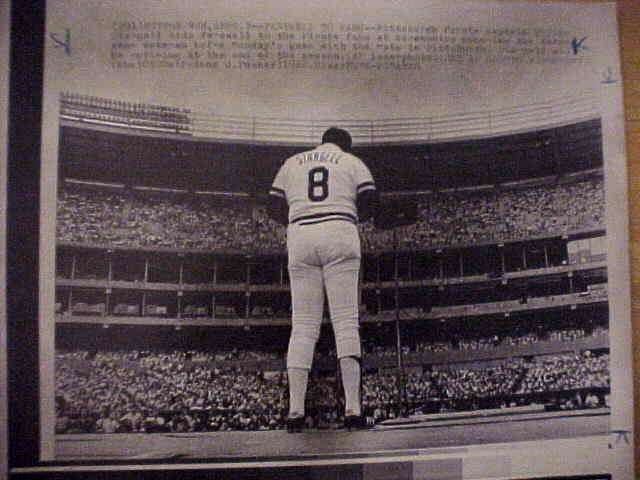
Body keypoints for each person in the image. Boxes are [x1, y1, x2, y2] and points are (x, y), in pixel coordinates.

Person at [268, 127, 379, 432]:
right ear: (345, 144)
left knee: (303, 326)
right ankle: (353, 410)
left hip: (300, 232)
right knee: (345, 322)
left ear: (321, 141)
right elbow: (370, 200)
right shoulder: (351, 161)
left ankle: (295, 412)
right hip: (340, 228)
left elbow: (273, 205)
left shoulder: (293, 162)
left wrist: (298, 219)